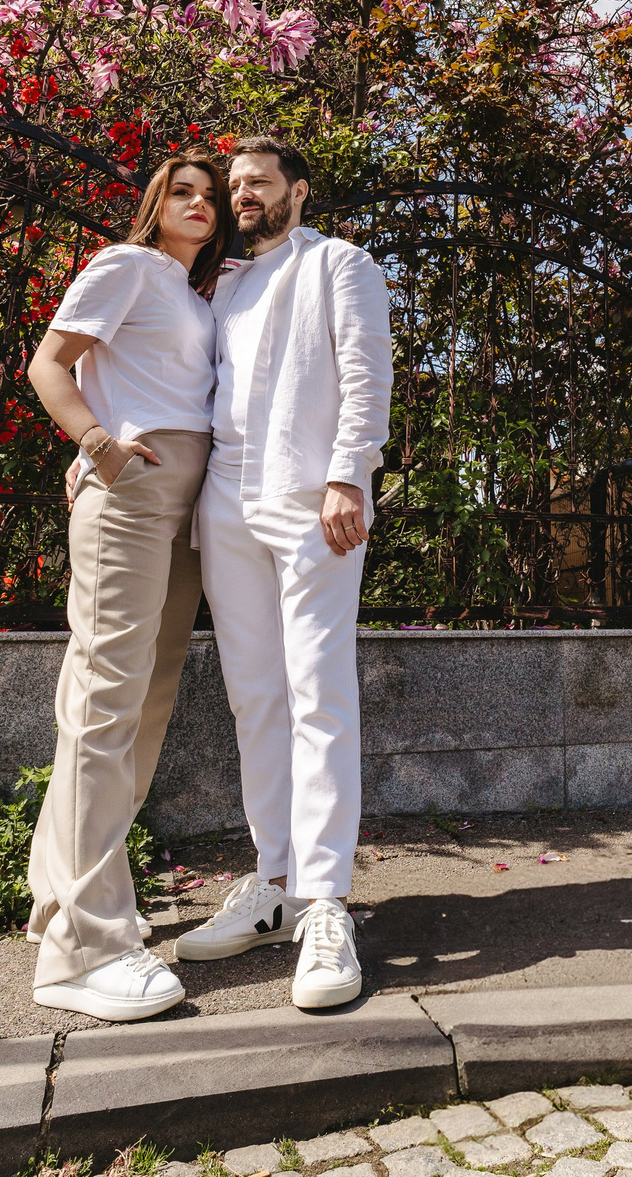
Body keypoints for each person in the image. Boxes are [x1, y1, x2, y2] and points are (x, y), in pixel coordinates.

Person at [174, 135, 392, 1010]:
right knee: (254, 696)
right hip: (226, 499)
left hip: (312, 502)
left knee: (318, 692)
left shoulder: (340, 263)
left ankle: (328, 902)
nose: (244, 193)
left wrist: (350, 474)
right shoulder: (221, 283)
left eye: (259, 181)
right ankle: (272, 884)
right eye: (236, 184)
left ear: (297, 190)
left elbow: (365, 373)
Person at [21, 156, 236, 1022]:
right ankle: (83, 952)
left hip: (189, 501)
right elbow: (48, 364)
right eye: (181, 191)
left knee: (143, 703)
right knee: (106, 703)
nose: (199, 203)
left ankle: (60, 901)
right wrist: (97, 446)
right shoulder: (128, 264)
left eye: (211, 196)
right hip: (135, 487)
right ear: (155, 205)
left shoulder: (196, 296)